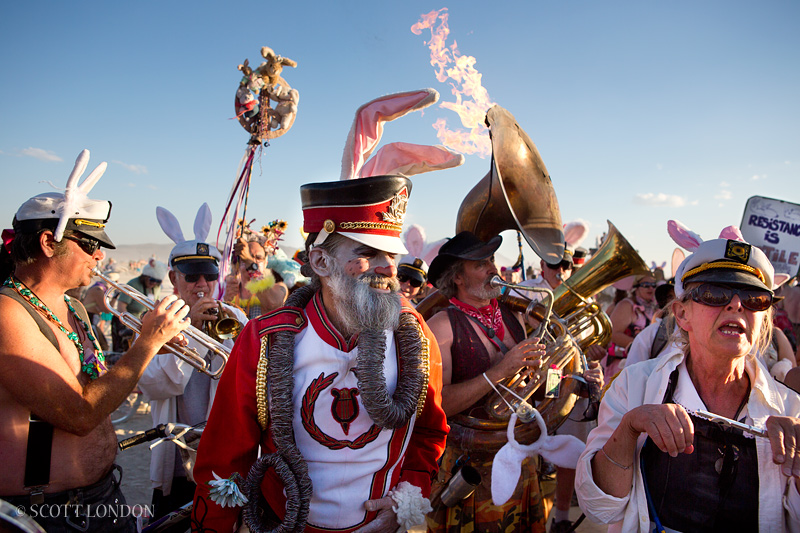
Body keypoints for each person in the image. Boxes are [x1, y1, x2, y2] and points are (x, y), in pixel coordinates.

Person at [191, 175, 448, 533]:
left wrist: (405, 500)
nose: (389, 268)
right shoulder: (263, 339)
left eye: (391, 254)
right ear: (321, 261)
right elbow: (223, 460)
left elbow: (428, 434)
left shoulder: (414, 334)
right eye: (367, 253)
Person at [0, 150, 190, 532]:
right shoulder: (8, 315)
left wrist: (149, 349)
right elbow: (79, 415)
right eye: (88, 243)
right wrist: (146, 345)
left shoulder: (73, 307)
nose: (99, 255)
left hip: (101, 498)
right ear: (49, 243)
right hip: (48, 514)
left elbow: (93, 380)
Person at [576, 237, 800, 532]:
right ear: (682, 314)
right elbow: (598, 507)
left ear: (765, 318)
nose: (735, 304)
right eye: (714, 293)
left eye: (754, 299)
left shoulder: (791, 407)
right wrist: (630, 428)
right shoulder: (633, 386)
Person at [424, 231, 551, 532]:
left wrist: (553, 376)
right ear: (458, 277)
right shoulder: (441, 325)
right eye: (481, 264)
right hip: (470, 467)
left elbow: (535, 388)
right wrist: (499, 371)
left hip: (519, 456)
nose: (494, 269)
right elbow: (438, 403)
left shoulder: (515, 317)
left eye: (492, 260)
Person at [137, 205, 248, 519]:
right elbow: (154, 385)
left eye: (209, 275)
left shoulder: (234, 316)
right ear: (174, 277)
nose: (202, 284)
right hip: (176, 450)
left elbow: (248, 379)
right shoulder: (155, 320)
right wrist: (195, 332)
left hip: (222, 449)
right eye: (192, 276)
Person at [224, 220, 289, 319]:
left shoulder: (279, 288)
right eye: (247, 257)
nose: (253, 261)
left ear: (266, 262)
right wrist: (225, 301)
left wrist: (249, 262)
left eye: (258, 258)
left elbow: (271, 303)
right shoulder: (227, 287)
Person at [603, 274, 658, 377]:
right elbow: (613, 334)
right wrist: (641, 346)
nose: (651, 288)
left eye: (653, 285)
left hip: (641, 365)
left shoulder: (654, 307)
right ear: (636, 288)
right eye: (646, 285)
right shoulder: (626, 305)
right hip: (620, 366)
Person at [112, 258, 167, 351]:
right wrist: (129, 324)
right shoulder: (133, 284)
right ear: (145, 276)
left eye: (157, 281)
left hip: (142, 324)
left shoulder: (156, 287)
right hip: (126, 322)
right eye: (152, 280)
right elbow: (121, 305)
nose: (154, 283)